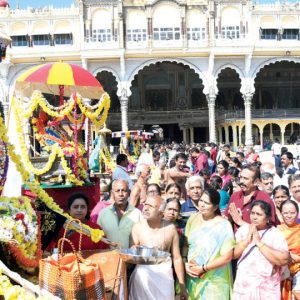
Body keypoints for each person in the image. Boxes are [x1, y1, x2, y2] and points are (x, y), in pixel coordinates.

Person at [129, 195, 188, 300]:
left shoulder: (170, 229)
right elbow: (132, 254)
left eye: (150, 206)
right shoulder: (137, 227)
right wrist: (133, 249)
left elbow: (177, 258)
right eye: (145, 204)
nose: (145, 208)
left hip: (164, 280)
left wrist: (182, 285)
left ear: (161, 213)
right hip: (142, 279)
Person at [183, 188, 235, 299]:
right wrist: (185, 263)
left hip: (215, 281)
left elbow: (227, 257)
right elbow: (186, 245)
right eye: (201, 201)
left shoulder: (224, 225)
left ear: (215, 207)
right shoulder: (192, 219)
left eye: (206, 203)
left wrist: (203, 268)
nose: (202, 205)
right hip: (192, 277)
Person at [233, 201, 290, 299]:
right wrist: (247, 240)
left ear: (268, 218)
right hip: (243, 286)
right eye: (252, 213)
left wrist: (259, 243)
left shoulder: (275, 234)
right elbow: (233, 255)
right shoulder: (243, 231)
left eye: (259, 214)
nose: (254, 217)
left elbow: (284, 259)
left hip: (267, 287)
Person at [224, 165, 278, 231]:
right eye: (241, 177)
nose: (241, 181)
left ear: (256, 182)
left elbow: (270, 230)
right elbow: (227, 219)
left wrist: (241, 222)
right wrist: (230, 217)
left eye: (245, 179)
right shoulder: (235, 196)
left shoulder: (265, 200)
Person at [97, 180, 142, 248]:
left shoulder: (137, 213)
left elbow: (141, 238)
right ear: (112, 193)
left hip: (130, 257)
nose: (120, 194)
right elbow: (98, 237)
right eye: (117, 191)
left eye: (124, 190)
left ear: (129, 193)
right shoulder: (103, 214)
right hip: (108, 256)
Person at [278, 200, 300, 300]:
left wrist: (295, 257)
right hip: (281, 272)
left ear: (297, 213)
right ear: (281, 213)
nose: (289, 216)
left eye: (292, 213)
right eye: (286, 213)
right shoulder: (276, 230)